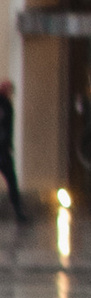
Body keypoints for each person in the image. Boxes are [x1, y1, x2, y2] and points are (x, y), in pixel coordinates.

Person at [0, 76, 25, 230]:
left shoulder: (7, 105)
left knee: (11, 179)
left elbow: (8, 128)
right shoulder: (5, 105)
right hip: (2, 149)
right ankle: (18, 211)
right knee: (11, 179)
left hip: (3, 149)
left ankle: (18, 210)